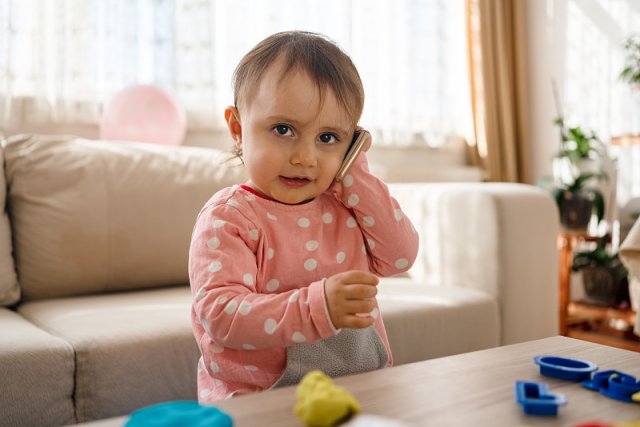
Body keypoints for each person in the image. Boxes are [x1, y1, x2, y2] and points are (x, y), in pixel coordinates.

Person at [188, 30, 419, 403]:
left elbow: (401, 257)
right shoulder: (229, 217)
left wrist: (355, 175)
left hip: (355, 390)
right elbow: (221, 316)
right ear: (237, 129)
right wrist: (317, 308)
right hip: (259, 402)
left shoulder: (349, 201)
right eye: (283, 130)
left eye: (328, 138)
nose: (305, 158)